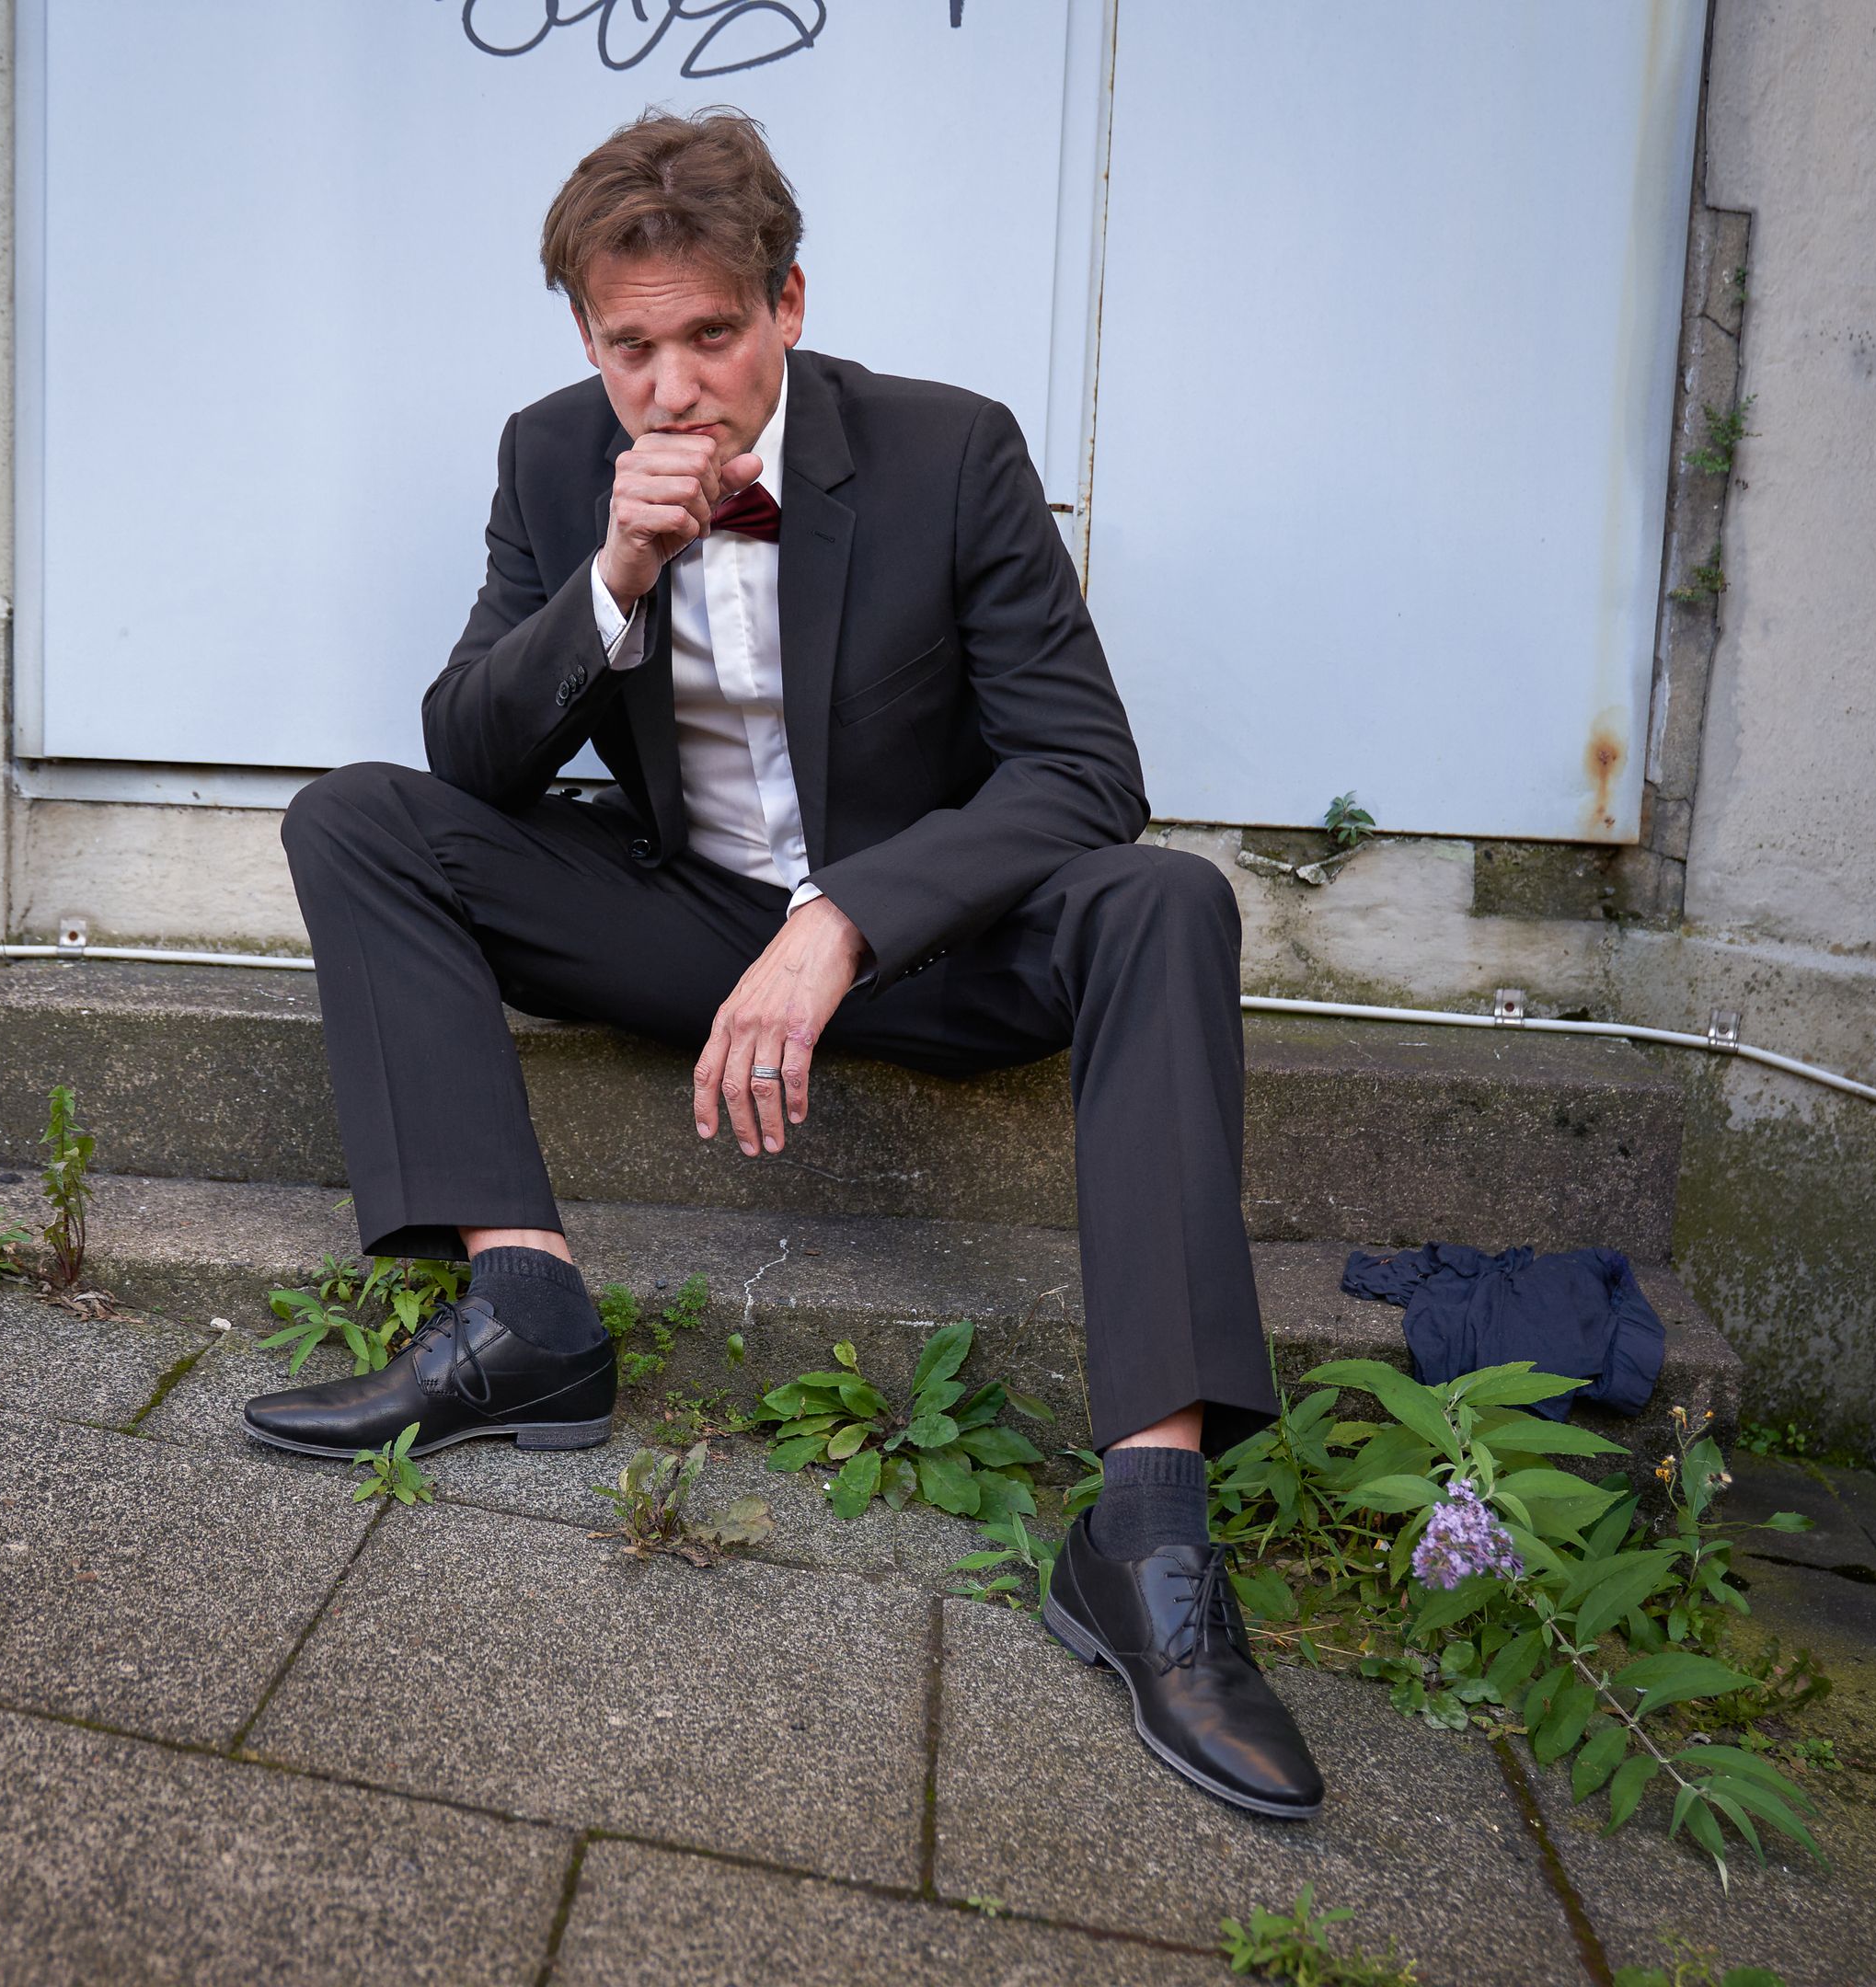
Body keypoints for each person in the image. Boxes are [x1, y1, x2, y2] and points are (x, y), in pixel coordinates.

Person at [248, 109, 1321, 1819]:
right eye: (631, 348)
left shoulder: (948, 448)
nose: (673, 388)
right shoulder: (551, 456)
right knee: (359, 819)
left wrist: (847, 919)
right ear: (586, 337)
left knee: (1166, 901)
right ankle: (526, 1313)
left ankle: (1147, 1533)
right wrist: (613, 573)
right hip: (691, 921)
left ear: (790, 304)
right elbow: (471, 757)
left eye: (712, 335)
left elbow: (1082, 770)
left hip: (927, 949)